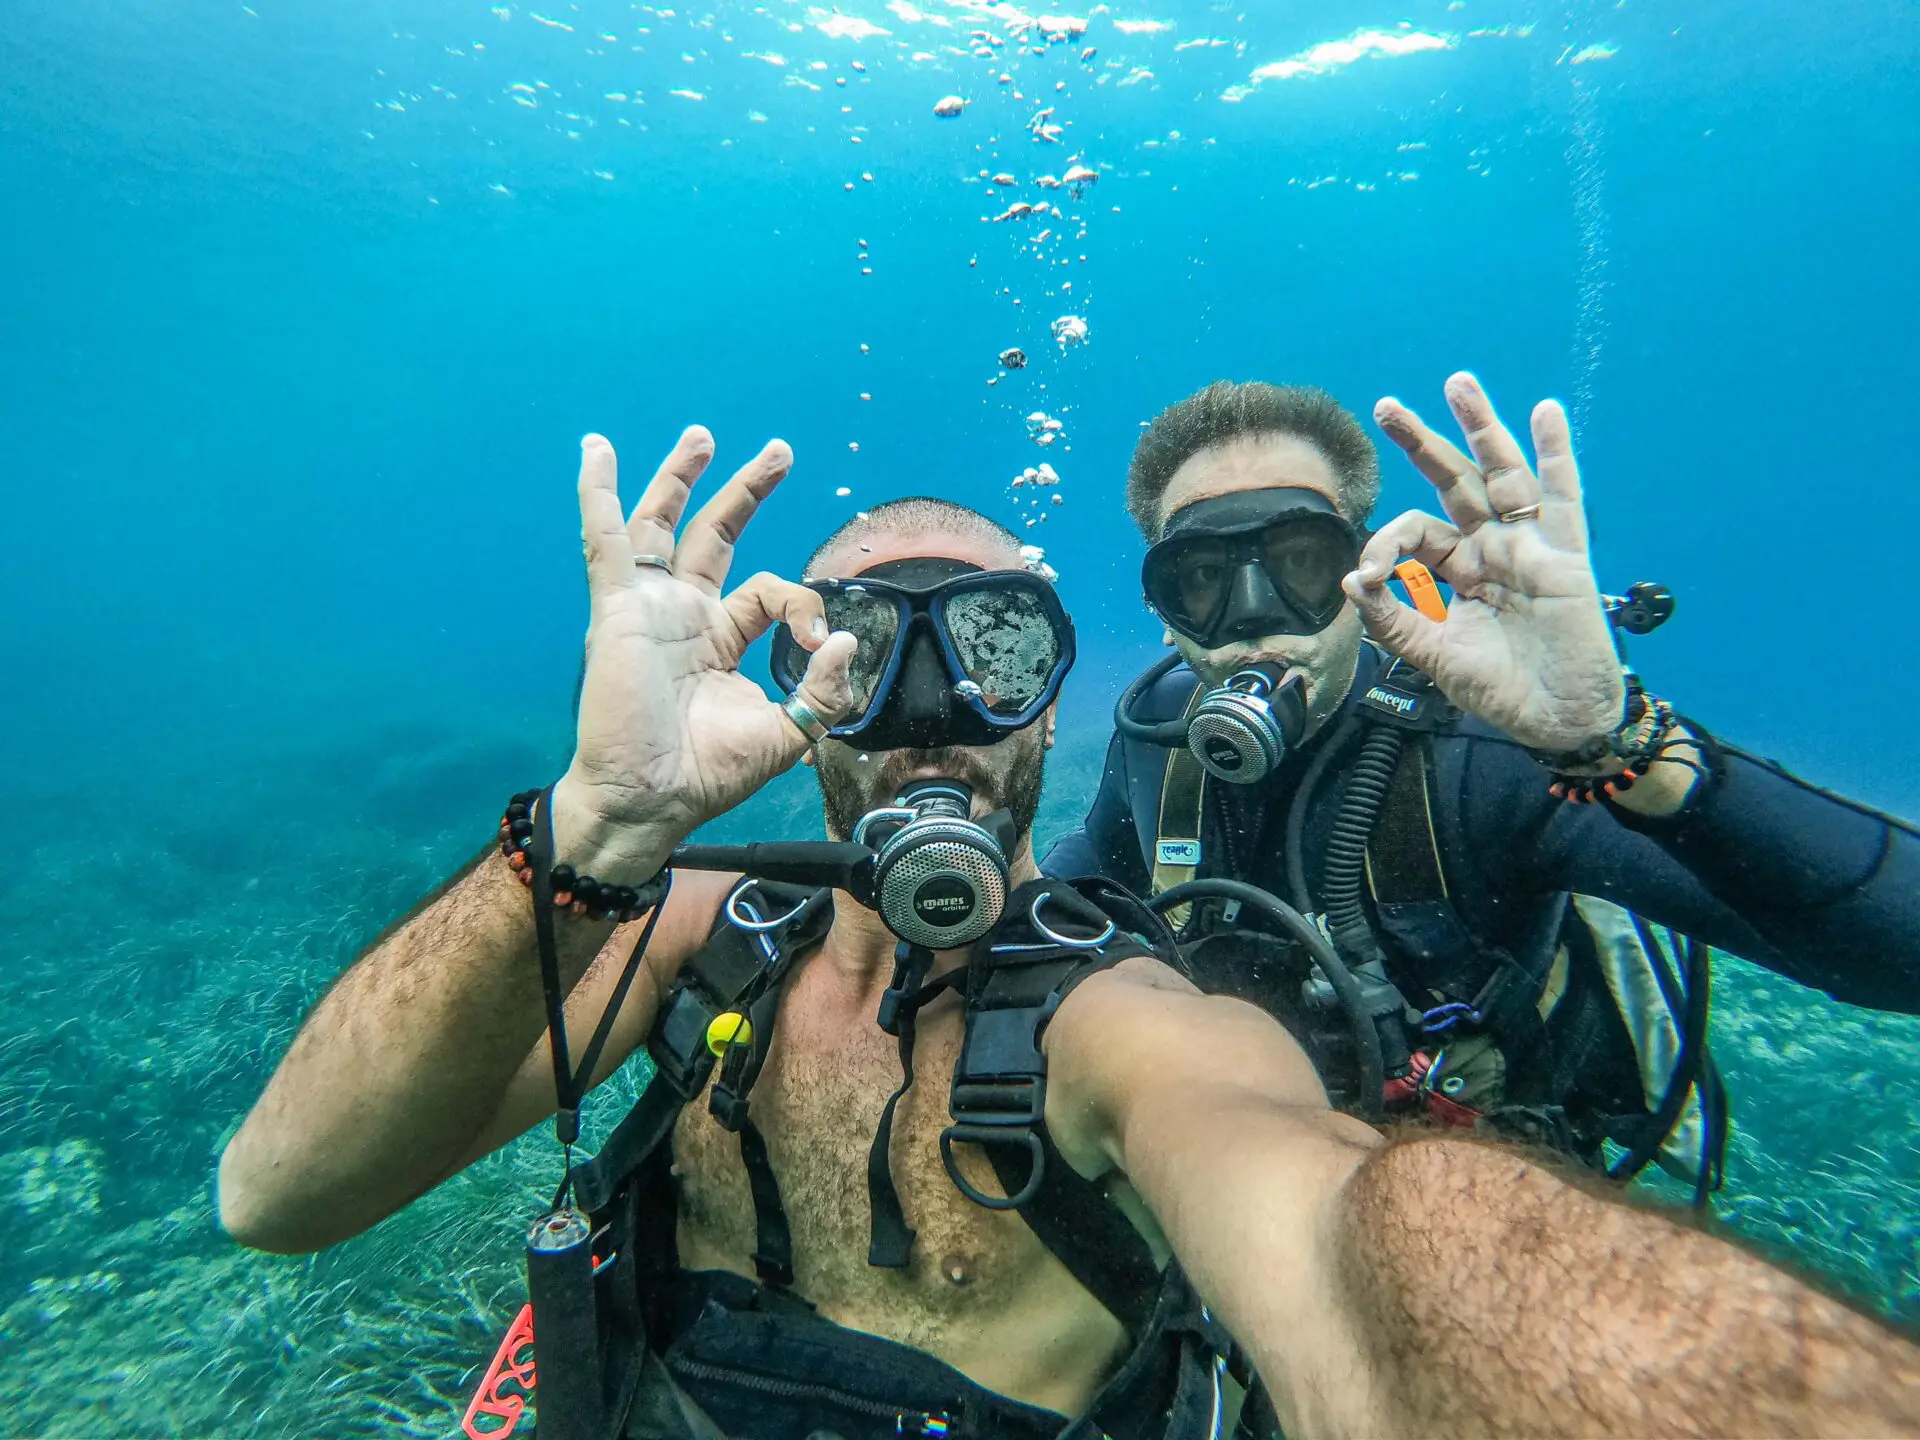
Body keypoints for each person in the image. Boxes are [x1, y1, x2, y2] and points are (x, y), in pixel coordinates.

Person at [218, 426, 1920, 1440]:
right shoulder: (674, 929)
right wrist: (585, 838)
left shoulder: (1118, 1007)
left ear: (1057, 705)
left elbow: (1333, 1230)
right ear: (790, 692)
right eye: (864, 653)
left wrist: (1620, 745)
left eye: (1004, 651)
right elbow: (278, 1196)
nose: (937, 710)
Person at [1046, 372, 1920, 1179]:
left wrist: (1616, 742)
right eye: (1199, 580)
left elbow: (1900, 955)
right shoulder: (1157, 740)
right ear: (1161, 610)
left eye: (1300, 563)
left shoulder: (1486, 756)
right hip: (1246, 1169)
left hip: (1490, 1181)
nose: (1250, 620)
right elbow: (1074, 893)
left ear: (1367, 570)